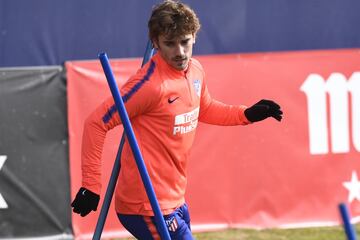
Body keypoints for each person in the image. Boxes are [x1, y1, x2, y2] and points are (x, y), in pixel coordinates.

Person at [71, 0, 283, 239]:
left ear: (194, 37)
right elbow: (96, 122)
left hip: (175, 199)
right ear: (156, 43)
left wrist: (246, 114)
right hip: (145, 204)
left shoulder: (195, 70)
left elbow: (205, 108)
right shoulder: (149, 86)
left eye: (185, 42)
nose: (180, 52)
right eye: (170, 44)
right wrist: (91, 186)